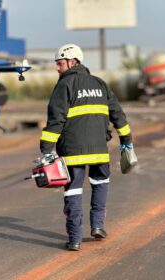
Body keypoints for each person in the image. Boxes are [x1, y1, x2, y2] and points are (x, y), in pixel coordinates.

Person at [40, 43, 134, 251]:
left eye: (60, 64)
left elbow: (56, 120)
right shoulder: (100, 83)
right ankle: (98, 225)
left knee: (73, 191)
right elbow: (118, 114)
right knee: (101, 183)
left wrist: (46, 149)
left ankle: (74, 239)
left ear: (72, 62)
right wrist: (127, 141)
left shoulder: (64, 86)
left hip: (73, 153)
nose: (57, 68)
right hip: (100, 150)